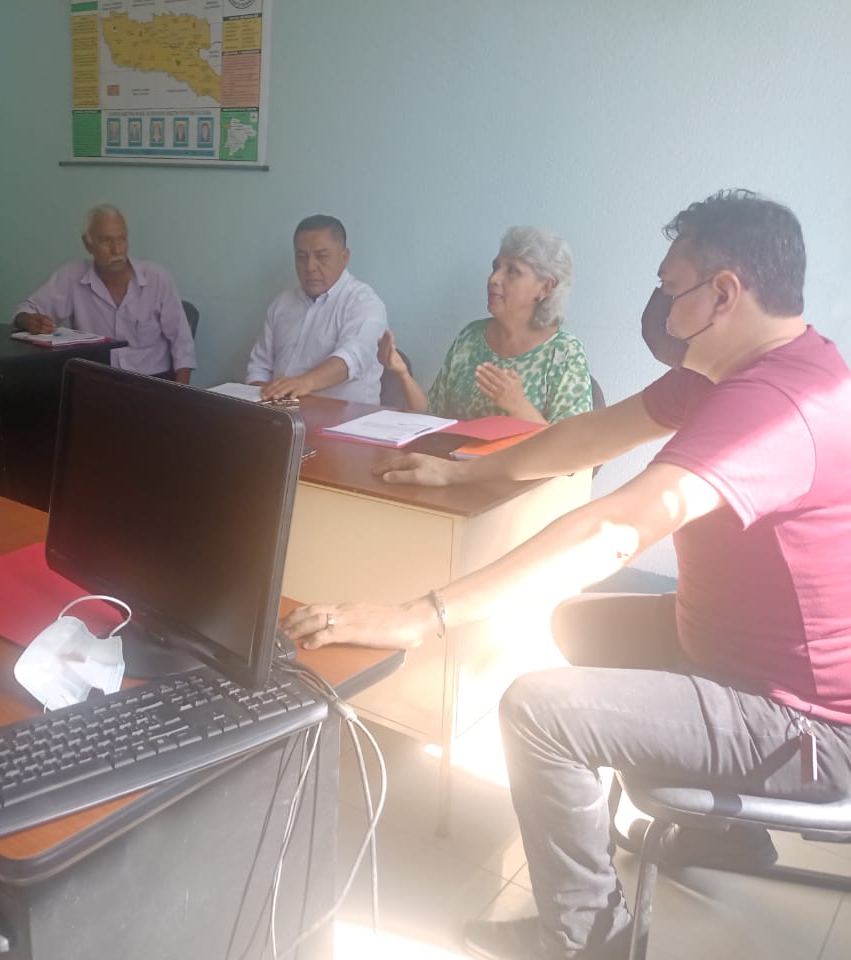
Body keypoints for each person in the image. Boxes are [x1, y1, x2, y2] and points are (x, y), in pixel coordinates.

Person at [281, 191, 851, 960]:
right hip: (734, 652)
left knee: (538, 709)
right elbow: (590, 436)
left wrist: (421, 614)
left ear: (724, 294)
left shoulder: (779, 404)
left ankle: (589, 939)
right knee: (576, 623)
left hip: (801, 720)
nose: (659, 306)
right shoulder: (727, 371)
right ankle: (726, 833)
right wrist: (461, 475)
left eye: (669, 288)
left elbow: (617, 527)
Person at [379, 226, 592, 424]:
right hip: (453, 455)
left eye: (513, 271)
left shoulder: (564, 353)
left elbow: (572, 448)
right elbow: (432, 415)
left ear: (544, 288)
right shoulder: (470, 337)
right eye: (495, 267)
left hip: (518, 457)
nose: (493, 278)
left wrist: (519, 406)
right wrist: (402, 373)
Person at [14, 204, 197, 383]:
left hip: (151, 382)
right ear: (88, 244)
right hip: (96, 382)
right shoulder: (71, 277)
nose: (116, 250)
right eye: (106, 241)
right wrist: (28, 320)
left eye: (121, 239)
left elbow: (183, 345)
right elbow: (26, 310)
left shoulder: (157, 278)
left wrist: (179, 395)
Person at [246, 214, 388, 402]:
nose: (310, 267)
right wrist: (261, 404)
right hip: (280, 413)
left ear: (344, 257)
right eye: (301, 257)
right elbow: (259, 368)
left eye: (321, 256)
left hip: (343, 416)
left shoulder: (365, 303)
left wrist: (303, 383)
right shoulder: (282, 303)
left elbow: (351, 359)